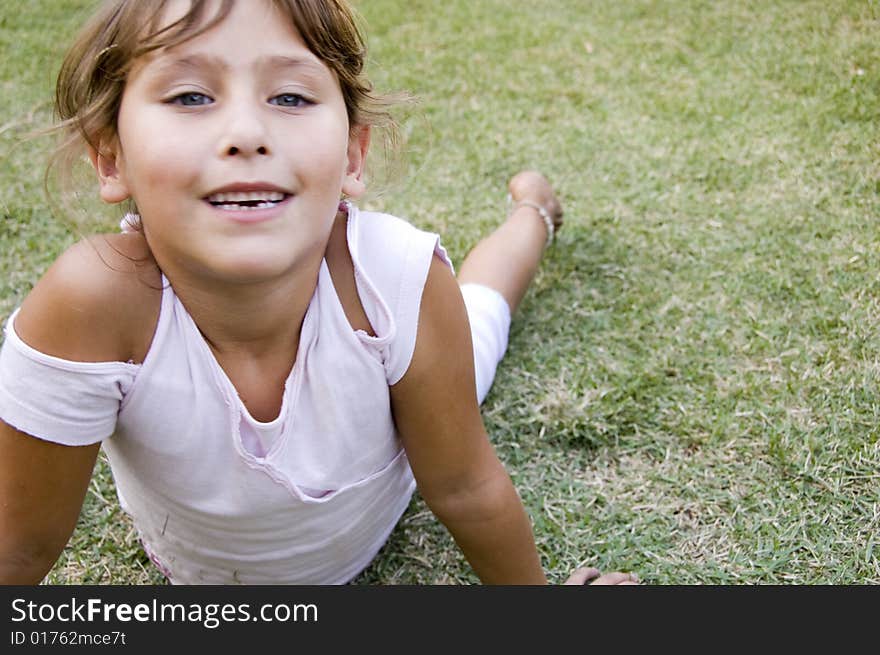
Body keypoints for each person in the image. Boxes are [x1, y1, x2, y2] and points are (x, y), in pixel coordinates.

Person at [0, 0, 635, 586]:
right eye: (191, 95)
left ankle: (533, 215)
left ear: (354, 156)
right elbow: (21, 547)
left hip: (401, 433)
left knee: (480, 315)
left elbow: (467, 486)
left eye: (292, 97)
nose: (247, 133)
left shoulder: (391, 283)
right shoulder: (89, 306)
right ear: (110, 156)